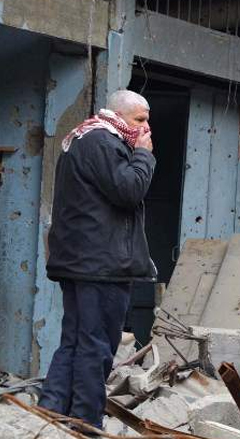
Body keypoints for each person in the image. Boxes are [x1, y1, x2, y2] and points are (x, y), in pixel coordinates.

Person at [39, 90, 157, 431]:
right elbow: (129, 190)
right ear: (118, 115)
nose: (146, 128)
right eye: (140, 120)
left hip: (82, 262)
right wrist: (144, 156)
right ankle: (86, 423)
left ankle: (51, 413)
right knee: (97, 346)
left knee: (76, 341)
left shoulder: (86, 138)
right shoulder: (104, 142)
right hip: (100, 266)